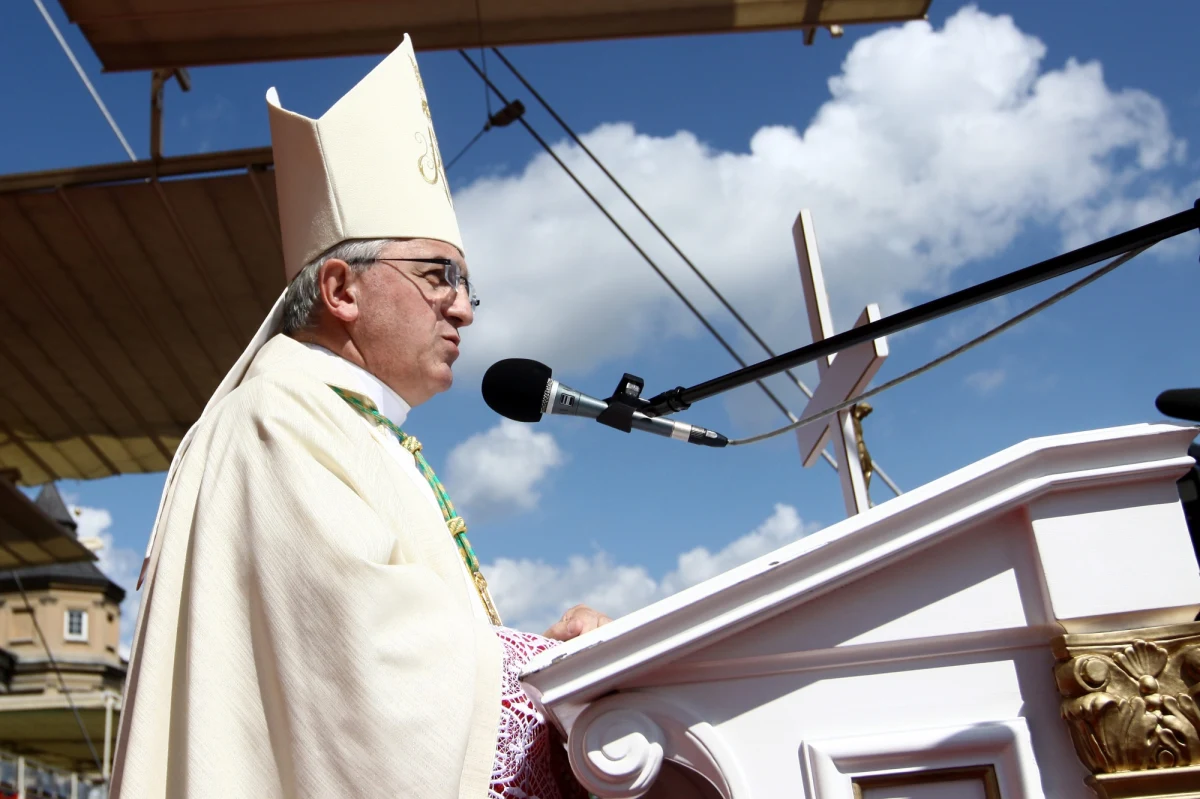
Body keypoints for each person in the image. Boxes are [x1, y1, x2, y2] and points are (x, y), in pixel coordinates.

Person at [110, 35, 608, 799]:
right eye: (441, 276)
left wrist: (544, 660)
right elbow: (364, 671)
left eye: (469, 283)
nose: (466, 309)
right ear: (341, 289)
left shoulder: (352, 423)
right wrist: (550, 672)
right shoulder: (278, 419)